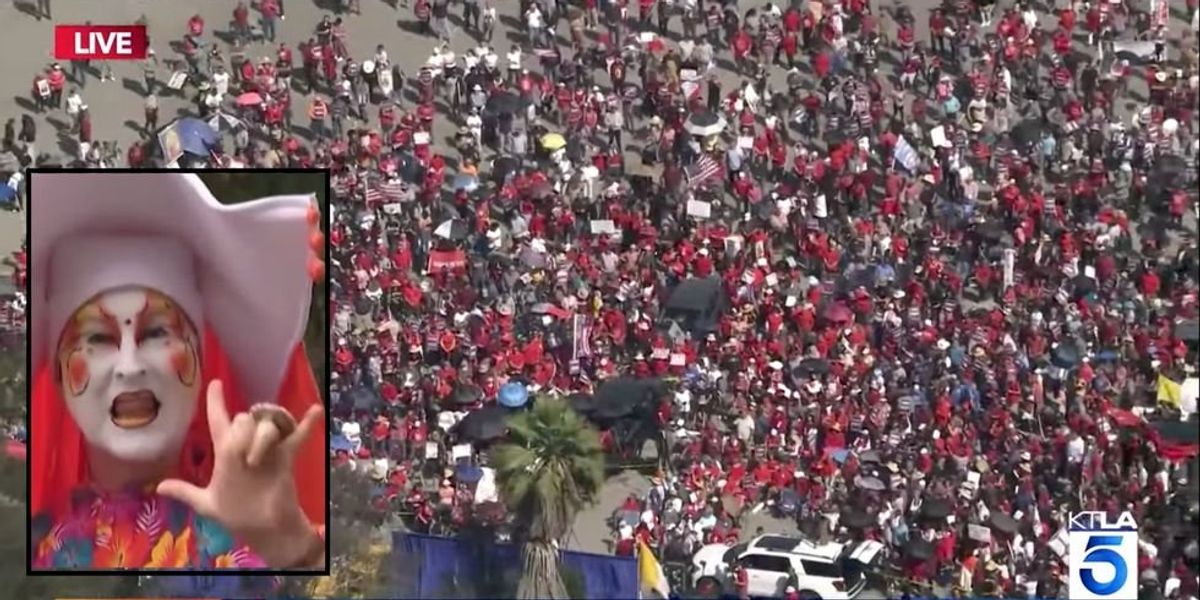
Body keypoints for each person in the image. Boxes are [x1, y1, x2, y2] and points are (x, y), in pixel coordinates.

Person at [29, 172, 327, 569]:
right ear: (57, 374)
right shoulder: (36, 544)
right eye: (98, 339)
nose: (131, 367)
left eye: (156, 333)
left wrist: (292, 552)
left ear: (202, 360)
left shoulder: (242, 539)